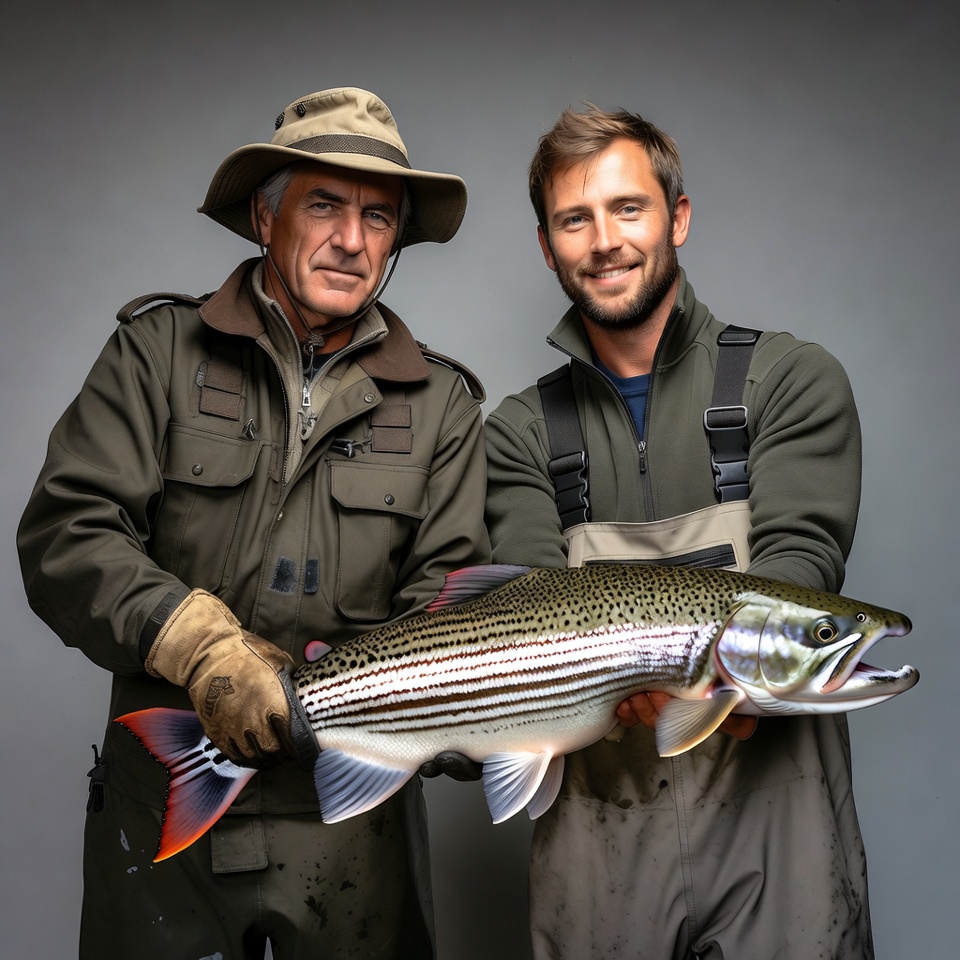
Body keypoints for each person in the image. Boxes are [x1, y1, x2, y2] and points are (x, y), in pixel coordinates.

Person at [18, 86, 490, 960]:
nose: (352, 240)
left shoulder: (445, 406)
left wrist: (502, 716)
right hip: (165, 801)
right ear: (265, 218)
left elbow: (450, 607)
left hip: (355, 818)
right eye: (325, 206)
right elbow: (66, 536)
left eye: (379, 218)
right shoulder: (155, 353)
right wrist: (203, 649)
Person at [485, 103, 872, 958]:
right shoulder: (515, 432)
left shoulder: (790, 380)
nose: (604, 241)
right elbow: (519, 608)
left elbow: (802, 568)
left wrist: (723, 695)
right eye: (573, 220)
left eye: (629, 208)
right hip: (597, 836)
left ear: (678, 218)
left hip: (778, 827)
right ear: (547, 246)